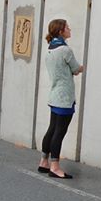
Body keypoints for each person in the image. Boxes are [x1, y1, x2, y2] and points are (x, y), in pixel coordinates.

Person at [38, 19, 83, 179]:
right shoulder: (65, 50)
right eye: (67, 27)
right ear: (60, 31)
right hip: (65, 98)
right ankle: (55, 166)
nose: (69, 29)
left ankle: (44, 161)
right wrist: (82, 68)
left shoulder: (50, 49)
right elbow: (76, 69)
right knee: (60, 132)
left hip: (54, 95)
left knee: (52, 129)